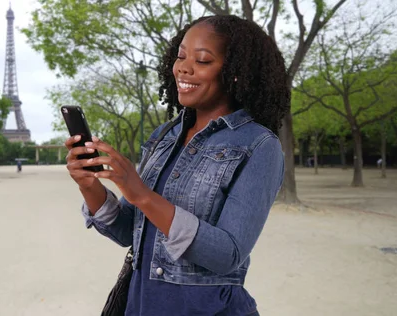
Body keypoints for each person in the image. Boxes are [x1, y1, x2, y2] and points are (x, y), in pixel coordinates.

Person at [65, 15, 289, 316]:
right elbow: (127, 231)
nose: (183, 67)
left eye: (203, 60)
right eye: (181, 56)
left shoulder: (260, 146)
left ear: (235, 73)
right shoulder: (165, 136)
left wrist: (141, 193)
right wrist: (89, 185)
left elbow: (228, 254)